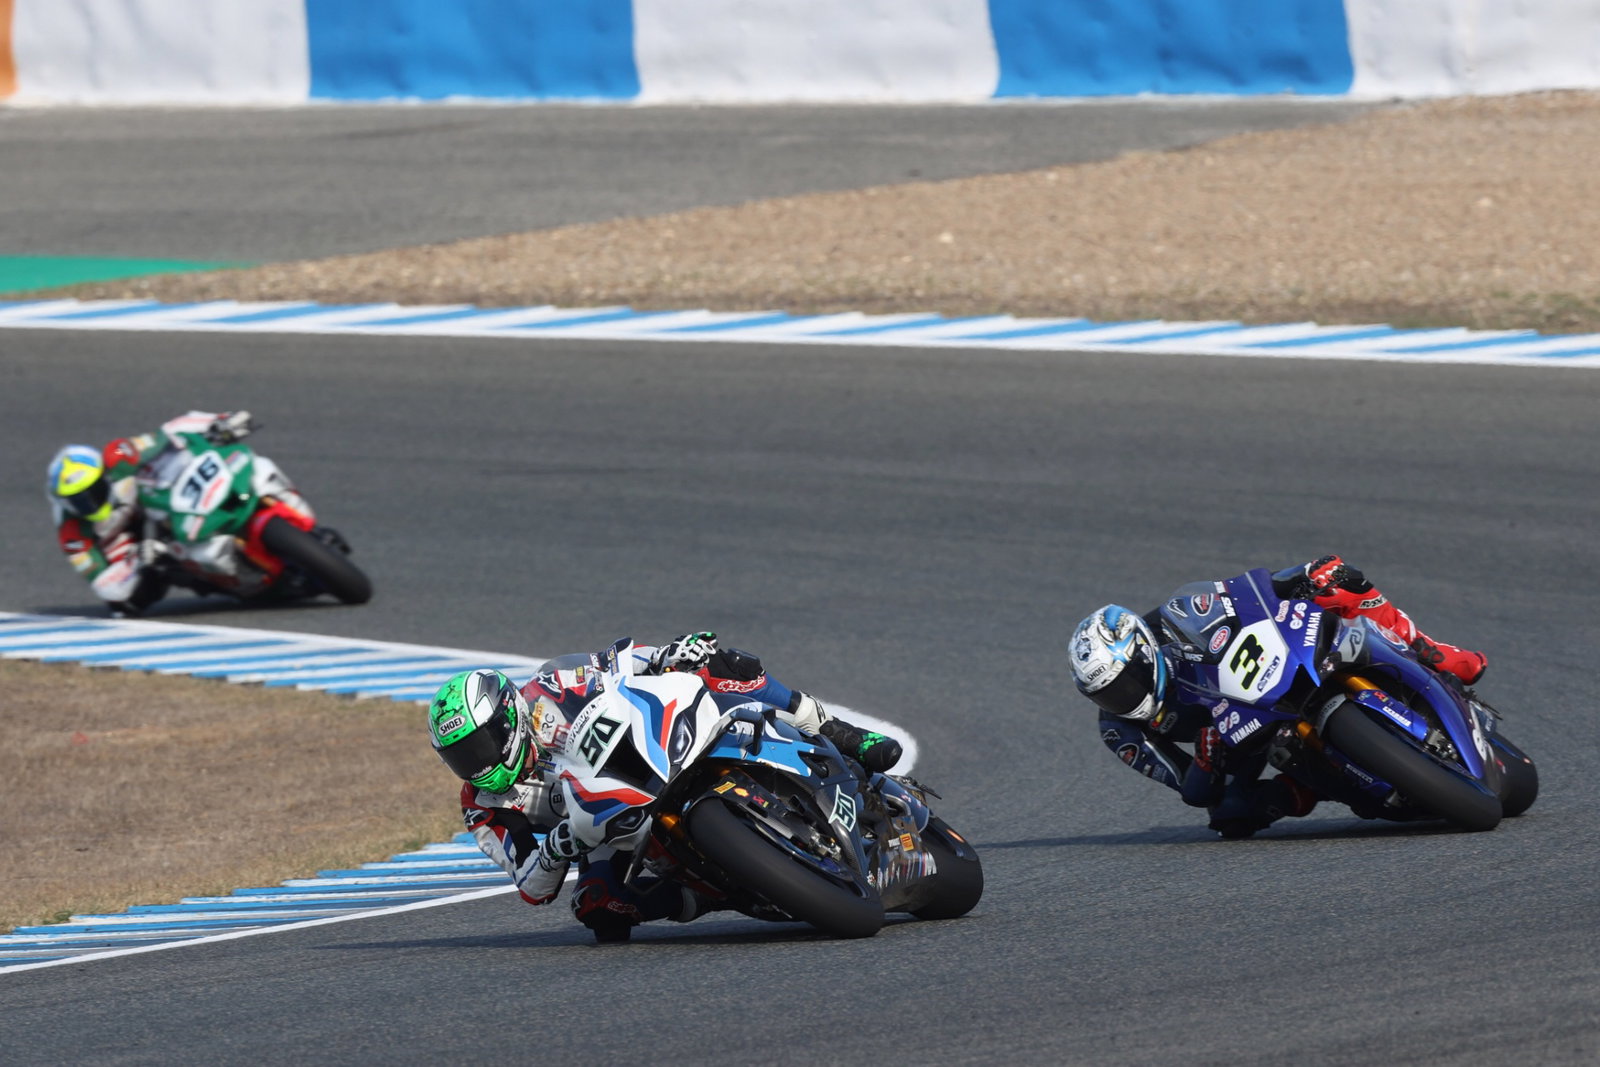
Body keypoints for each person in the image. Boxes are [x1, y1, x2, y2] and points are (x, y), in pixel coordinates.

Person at [426, 632, 903, 939]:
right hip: (600, 827)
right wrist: (559, 845)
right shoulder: (483, 806)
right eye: (461, 757)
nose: (477, 763)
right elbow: (531, 885)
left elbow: (626, 662)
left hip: (650, 749)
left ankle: (837, 731)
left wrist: (673, 654)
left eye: (482, 745)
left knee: (720, 661)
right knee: (599, 909)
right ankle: (716, 895)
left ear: (508, 719)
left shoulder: (553, 685)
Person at [1069, 555, 1488, 838]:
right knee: (1230, 816)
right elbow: (1193, 791)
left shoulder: (1175, 618)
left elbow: (1248, 590)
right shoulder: (1119, 730)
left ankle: (1437, 654)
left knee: (1340, 585)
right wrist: (1204, 759)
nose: (1122, 700)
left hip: (1265, 675)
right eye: (1106, 694)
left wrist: (1304, 576)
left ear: (1144, 653)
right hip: (1233, 737)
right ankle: (1314, 789)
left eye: (1124, 684)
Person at [45, 410, 255, 617]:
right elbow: (101, 581)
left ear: (103, 474)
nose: (86, 503)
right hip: (130, 544)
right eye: (75, 501)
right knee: (124, 604)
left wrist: (216, 423)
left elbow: (166, 434)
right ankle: (212, 578)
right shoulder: (72, 535)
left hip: (152, 500)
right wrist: (136, 564)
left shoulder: (116, 455)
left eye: (90, 492)